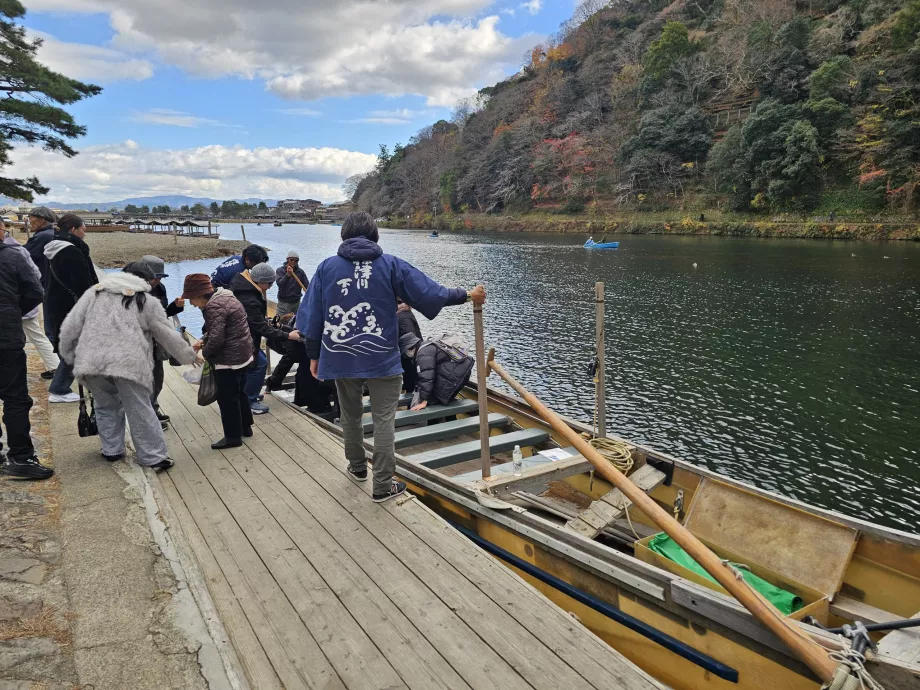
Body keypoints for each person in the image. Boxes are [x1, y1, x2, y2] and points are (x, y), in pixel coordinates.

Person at [299, 212, 485, 503]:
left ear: (343, 236)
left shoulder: (326, 268)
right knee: (384, 420)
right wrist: (466, 294)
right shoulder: (390, 265)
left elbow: (311, 316)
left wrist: (314, 355)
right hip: (382, 357)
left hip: (340, 356)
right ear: (375, 235)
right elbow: (430, 292)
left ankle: (358, 468)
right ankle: (383, 484)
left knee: (350, 415)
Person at [58, 263, 197, 470]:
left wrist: (68, 354)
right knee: (139, 407)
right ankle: (153, 457)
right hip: (128, 362)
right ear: (145, 281)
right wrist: (188, 355)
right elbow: (166, 333)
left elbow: (70, 326)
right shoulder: (146, 301)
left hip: (92, 360)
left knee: (105, 405)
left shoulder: (93, 294)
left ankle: (111, 450)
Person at [0, 232, 53, 480]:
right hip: (6, 336)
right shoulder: (12, 256)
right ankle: (21, 457)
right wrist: (13, 311)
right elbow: (35, 291)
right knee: (15, 398)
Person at [182, 274, 255, 449]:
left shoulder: (213, 307)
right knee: (239, 393)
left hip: (228, 360)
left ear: (200, 295)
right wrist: (202, 340)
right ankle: (246, 427)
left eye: (191, 299)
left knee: (227, 399)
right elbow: (221, 328)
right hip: (244, 354)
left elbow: (217, 339)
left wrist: (205, 354)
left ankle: (232, 437)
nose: (192, 304)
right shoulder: (227, 296)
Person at [230, 262, 301, 415]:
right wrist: (288, 335)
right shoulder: (248, 297)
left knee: (255, 364)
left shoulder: (245, 287)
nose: (270, 287)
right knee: (259, 364)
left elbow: (256, 320)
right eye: (269, 283)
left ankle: (250, 393)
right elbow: (259, 327)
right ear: (261, 280)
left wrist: (264, 319)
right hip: (243, 337)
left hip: (244, 335)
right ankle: (249, 399)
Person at [44, 213, 98, 403]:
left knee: (70, 346)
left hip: (55, 303)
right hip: (71, 307)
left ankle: (61, 386)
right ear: (73, 230)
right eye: (83, 229)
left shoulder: (53, 247)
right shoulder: (72, 251)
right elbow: (83, 284)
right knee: (73, 347)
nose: (85, 233)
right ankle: (59, 389)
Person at [2, 223, 59, 379]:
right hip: (24, 304)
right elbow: (36, 274)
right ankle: (55, 366)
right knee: (37, 336)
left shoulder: (12, 254)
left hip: (14, 305)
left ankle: (55, 366)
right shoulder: (20, 251)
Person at [138, 255, 184, 426]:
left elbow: (163, 313)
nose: (157, 280)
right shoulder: (132, 291)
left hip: (156, 340)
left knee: (157, 378)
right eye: (154, 277)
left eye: (159, 277)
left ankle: (153, 408)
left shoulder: (160, 289)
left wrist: (175, 307)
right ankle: (147, 417)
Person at [401, 333, 474, 412]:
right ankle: (449, 419)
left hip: (456, 375)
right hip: (461, 373)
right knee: (445, 398)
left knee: (433, 400)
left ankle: (435, 421)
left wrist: (424, 400)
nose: (406, 355)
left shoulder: (422, 354)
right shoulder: (427, 345)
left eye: (405, 353)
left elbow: (426, 377)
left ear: (410, 348)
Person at [24, 206, 57, 284]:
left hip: (41, 281)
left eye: (31, 218)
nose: (30, 221)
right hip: (49, 279)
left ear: (41, 220)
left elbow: (24, 255)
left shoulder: (42, 236)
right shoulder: (52, 233)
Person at [397, 299, 422, 394]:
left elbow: (411, 343)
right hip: (413, 359)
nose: (402, 305)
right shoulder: (405, 314)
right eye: (399, 302)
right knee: (412, 385)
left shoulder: (403, 316)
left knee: (411, 385)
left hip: (411, 360)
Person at [275, 250, 308, 316]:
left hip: (296, 303)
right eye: (291, 260)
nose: (293, 262)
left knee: (297, 322)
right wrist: (287, 275)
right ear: (287, 260)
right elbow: (280, 284)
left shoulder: (300, 272)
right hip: (284, 303)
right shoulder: (280, 270)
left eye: (296, 260)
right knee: (280, 322)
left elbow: (307, 285)